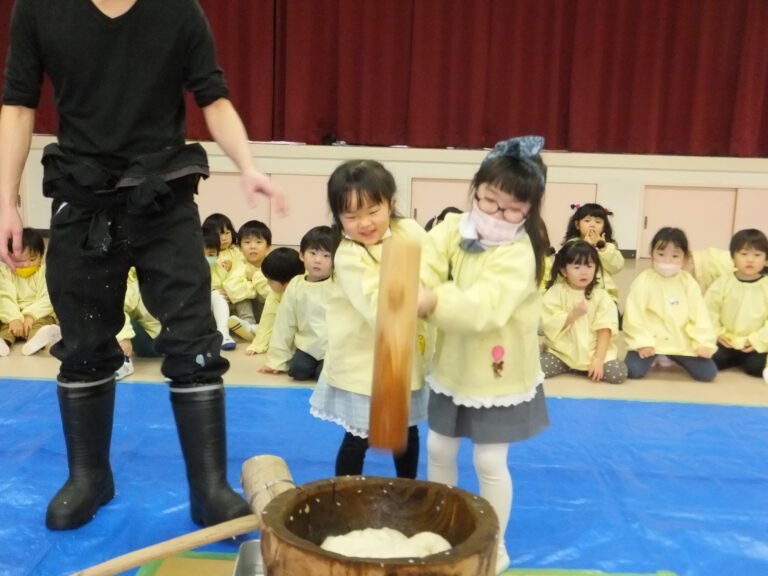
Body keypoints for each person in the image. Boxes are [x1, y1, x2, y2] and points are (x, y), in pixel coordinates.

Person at [0, 0, 285, 530]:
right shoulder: (39, 8)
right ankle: (89, 476)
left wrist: (248, 166)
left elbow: (214, 97)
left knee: (195, 339)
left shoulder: (177, 10)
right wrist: (6, 201)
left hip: (163, 195)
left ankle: (208, 488)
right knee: (82, 342)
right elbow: (17, 104)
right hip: (82, 193)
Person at [417, 136, 551, 574]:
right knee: (438, 448)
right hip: (453, 366)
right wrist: (419, 286)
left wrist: (433, 300)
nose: (496, 214)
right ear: (475, 189)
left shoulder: (519, 253)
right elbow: (426, 261)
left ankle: (493, 543)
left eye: (511, 209)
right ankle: (440, 531)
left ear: (529, 210)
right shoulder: (454, 227)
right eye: (489, 200)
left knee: (489, 460)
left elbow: (484, 307)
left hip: (498, 374)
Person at [310, 159, 428, 480]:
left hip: (404, 356)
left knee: (406, 430)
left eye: (373, 211)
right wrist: (421, 300)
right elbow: (378, 308)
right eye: (351, 216)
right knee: (358, 437)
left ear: (392, 203)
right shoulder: (349, 256)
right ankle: (344, 495)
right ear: (338, 218)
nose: (364, 223)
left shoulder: (411, 232)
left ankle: (408, 488)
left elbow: (436, 266)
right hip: (363, 362)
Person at [623, 228, 718, 382]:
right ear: (652, 254)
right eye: (661, 254)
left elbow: (699, 315)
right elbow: (633, 315)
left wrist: (702, 343)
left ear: (684, 258)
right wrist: (642, 343)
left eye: (675, 256)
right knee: (633, 370)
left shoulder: (688, 282)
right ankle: (656, 355)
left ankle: (672, 356)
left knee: (708, 373)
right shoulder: (643, 280)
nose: (667, 261)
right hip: (650, 342)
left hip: (681, 341)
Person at [540, 240, 627, 384]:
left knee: (618, 373)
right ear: (564, 271)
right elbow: (549, 324)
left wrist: (599, 359)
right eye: (576, 266)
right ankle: (565, 363)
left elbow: (605, 330)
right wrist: (572, 315)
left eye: (589, 266)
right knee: (537, 369)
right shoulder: (555, 292)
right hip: (563, 354)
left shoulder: (601, 296)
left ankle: (591, 366)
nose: (584, 272)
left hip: (594, 353)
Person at [260, 225, 334, 380]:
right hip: (307, 347)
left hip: (333, 348)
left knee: (324, 375)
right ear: (301, 255)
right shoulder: (296, 284)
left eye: (326, 256)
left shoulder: (338, 284)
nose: (318, 260)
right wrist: (276, 361)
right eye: (312, 253)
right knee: (298, 371)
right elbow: (284, 323)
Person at [704, 229, 768, 379]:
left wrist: (757, 341)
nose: (750, 260)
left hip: (754, 343)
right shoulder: (722, 283)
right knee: (712, 359)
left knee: (756, 367)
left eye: (757, 255)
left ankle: (746, 358)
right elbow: (709, 312)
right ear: (733, 257)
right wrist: (718, 334)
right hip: (727, 341)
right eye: (744, 254)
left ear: (766, 259)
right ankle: (732, 357)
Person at [0, 227, 60, 356]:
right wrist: (14, 318)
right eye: (19, 261)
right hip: (12, 314)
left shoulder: (45, 272)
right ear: (9, 257)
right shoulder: (5, 272)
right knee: (4, 324)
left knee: (43, 324)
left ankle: (35, 342)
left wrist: (30, 316)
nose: (26, 264)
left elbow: (47, 298)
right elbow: (5, 297)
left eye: (32, 259)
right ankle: (3, 342)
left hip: (38, 315)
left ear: (41, 256)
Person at [244, 247, 304, 356]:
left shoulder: (305, 292)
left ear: (287, 282)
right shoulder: (275, 294)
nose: (268, 283)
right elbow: (268, 318)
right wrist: (258, 345)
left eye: (270, 281)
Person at [562, 203, 623, 302]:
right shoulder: (572, 244)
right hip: (576, 295)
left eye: (598, 222)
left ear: (604, 226)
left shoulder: (607, 246)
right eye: (587, 221)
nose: (592, 225)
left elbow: (616, 267)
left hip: (604, 296)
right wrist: (585, 246)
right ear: (577, 225)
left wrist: (603, 248)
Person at [224, 219, 272, 338]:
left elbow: (271, 292)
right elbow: (234, 290)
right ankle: (249, 325)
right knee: (242, 296)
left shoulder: (272, 263)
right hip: (246, 313)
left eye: (258, 242)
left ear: (268, 247)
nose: (252, 246)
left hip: (266, 310)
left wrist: (253, 277)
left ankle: (262, 327)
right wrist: (255, 285)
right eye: (247, 242)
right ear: (240, 247)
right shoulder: (240, 263)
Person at [114, 267, 162, 380]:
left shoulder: (131, 277)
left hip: (163, 341)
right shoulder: (138, 278)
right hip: (157, 341)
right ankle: (121, 359)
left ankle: (124, 360)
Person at [203, 226, 236, 350]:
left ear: (217, 255)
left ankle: (223, 334)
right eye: (201, 254)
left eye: (211, 254)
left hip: (213, 304)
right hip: (194, 304)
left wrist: (227, 292)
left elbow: (228, 283)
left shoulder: (219, 267)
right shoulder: (186, 269)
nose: (206, 258)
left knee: (218, 296)